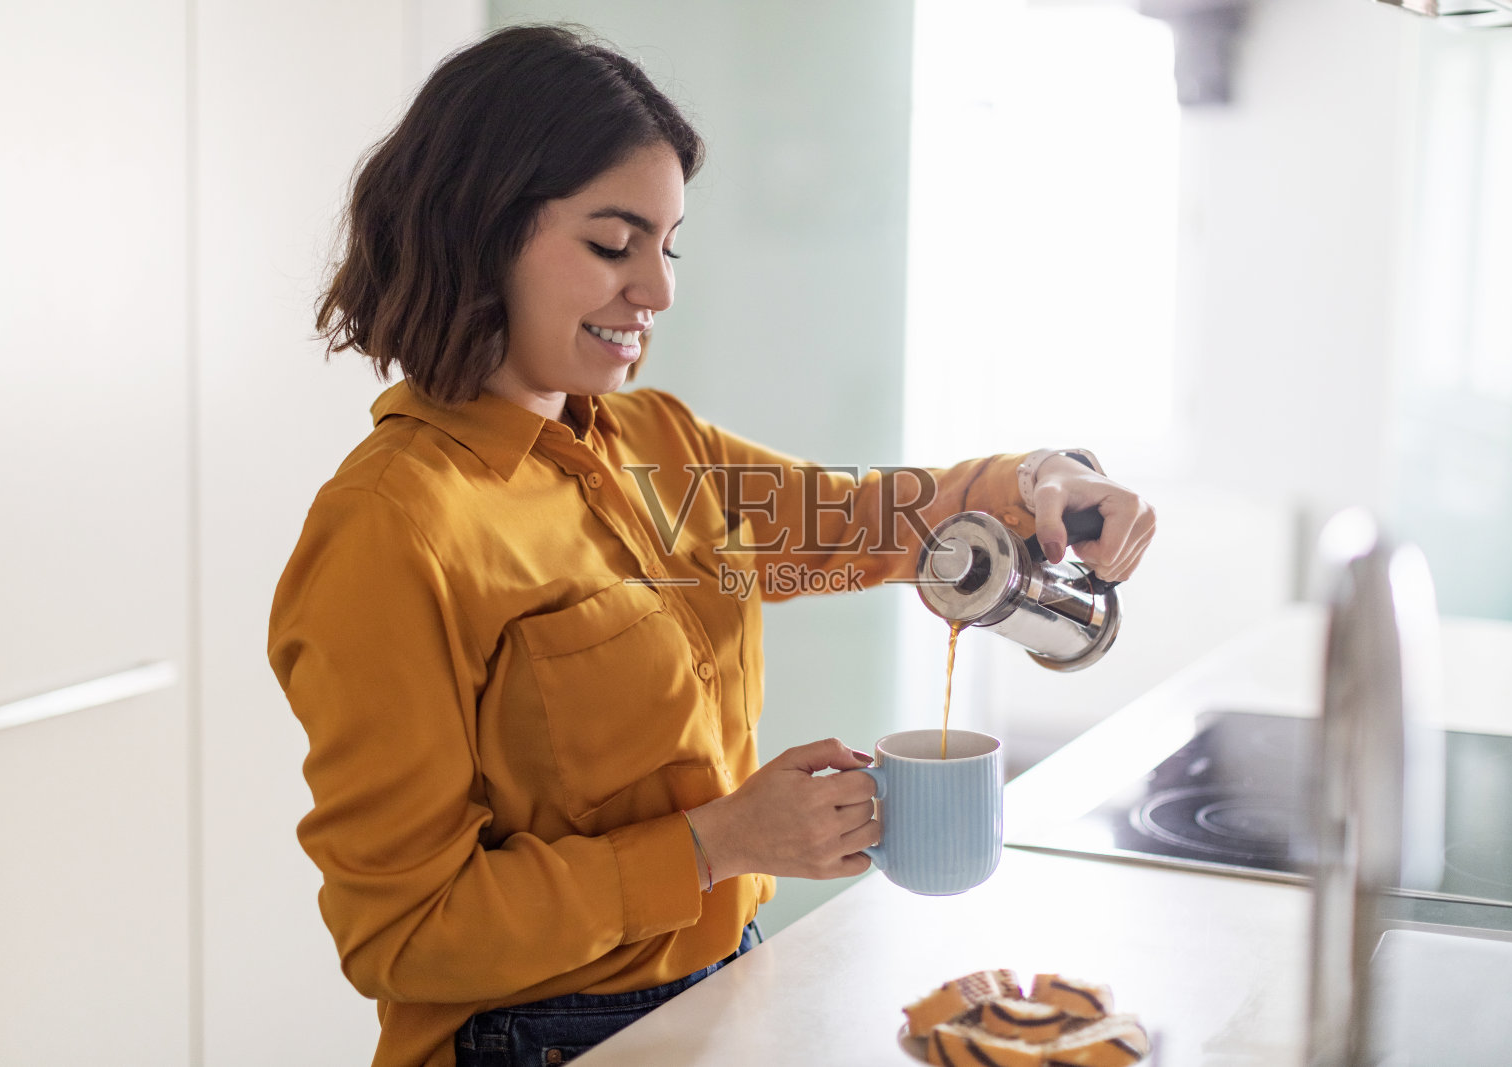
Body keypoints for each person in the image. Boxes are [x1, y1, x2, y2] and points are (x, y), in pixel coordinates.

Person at [268, 24, 1156, 1067]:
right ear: (481, 230)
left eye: (667, 244)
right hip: (531, 1040)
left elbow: (867, 519)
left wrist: (1043, 479)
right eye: (613, 243)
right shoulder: (393, 526)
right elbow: (403, 930)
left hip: (722, 989)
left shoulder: (658, 444)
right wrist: (718, 840)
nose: (657, 289)